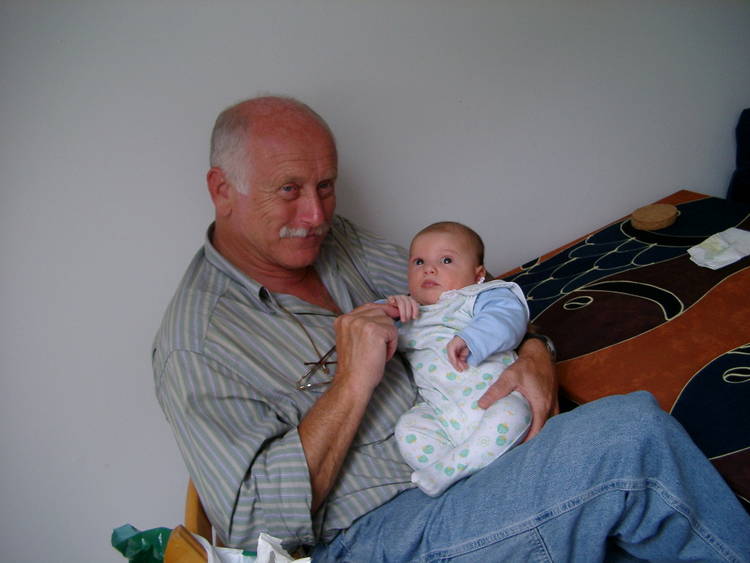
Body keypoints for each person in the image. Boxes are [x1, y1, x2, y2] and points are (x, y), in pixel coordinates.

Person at [153, 95, 750, 561]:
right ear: (222, 190)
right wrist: (351, 384)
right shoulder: (196, 344)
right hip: (380, 532)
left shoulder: (337, 242)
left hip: (476, 456)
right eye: (289, 190)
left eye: (325, 186)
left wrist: (536, 349)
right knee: (631, 440)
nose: (316, 215)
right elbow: (257, 529)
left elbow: (461, 300)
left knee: (635, 499)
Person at [387, 221, 531, 496]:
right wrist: (387, 309)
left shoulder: (478, 296)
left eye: (446, 260)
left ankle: (451, 470)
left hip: (495, 399)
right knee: (409, 427)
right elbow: (368, 329)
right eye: (419, 262)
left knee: (514, 413)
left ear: (478, 274)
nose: (429, 269)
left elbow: (508, 317)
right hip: (443, 416)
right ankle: (455, 472)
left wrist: (472, 338)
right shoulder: (407, 314)